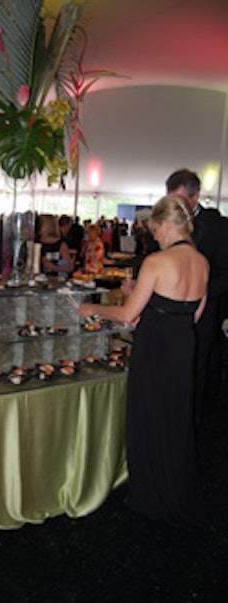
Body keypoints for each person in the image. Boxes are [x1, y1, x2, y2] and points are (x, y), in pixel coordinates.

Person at [79, 194, 209, 525]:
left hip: (155, 351)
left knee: (147, 417)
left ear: (166, 224)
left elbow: (127, 315)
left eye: (155, 230)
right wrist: (140, 295)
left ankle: (151, 495)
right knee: (175, 418)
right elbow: (192, 313)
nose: (154, 236)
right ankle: (175, 488)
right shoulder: (202, 262)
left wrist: (94, 307)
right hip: (183, 347)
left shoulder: (157, 261)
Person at [166, 168, 228, 424]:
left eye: (181, 200)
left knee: (196, 372)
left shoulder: (217, 226)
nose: (176, 206)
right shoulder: (166, 218)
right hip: (167, 312)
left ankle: (190, 425)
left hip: (203, 314)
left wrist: (199, 293)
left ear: (196, 196)